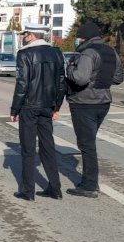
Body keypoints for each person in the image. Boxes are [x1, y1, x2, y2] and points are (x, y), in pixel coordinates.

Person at [65, 21, 124, 198]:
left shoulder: (88, 53)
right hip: (103, 102)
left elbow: (80, 78)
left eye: (78, 38)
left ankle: (89, 185)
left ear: (84, 37)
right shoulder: (111, 51)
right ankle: (92, 182)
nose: (76, 41)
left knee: (87, 145)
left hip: (84, 104)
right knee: (88, 143)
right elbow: (118, 78)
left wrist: (69, 68)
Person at [10, 22, 66, 201]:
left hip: (29, 106)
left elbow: (22, 84)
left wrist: (15, 108)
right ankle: (55, 188)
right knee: (48, 146)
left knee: (27, 149)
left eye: (24, 34)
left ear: (32, 35)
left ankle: (28, 191)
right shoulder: (57, 53)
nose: (23, 37)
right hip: (47, 106)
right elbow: (61, 82)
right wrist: (56, 106)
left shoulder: (24, 54)